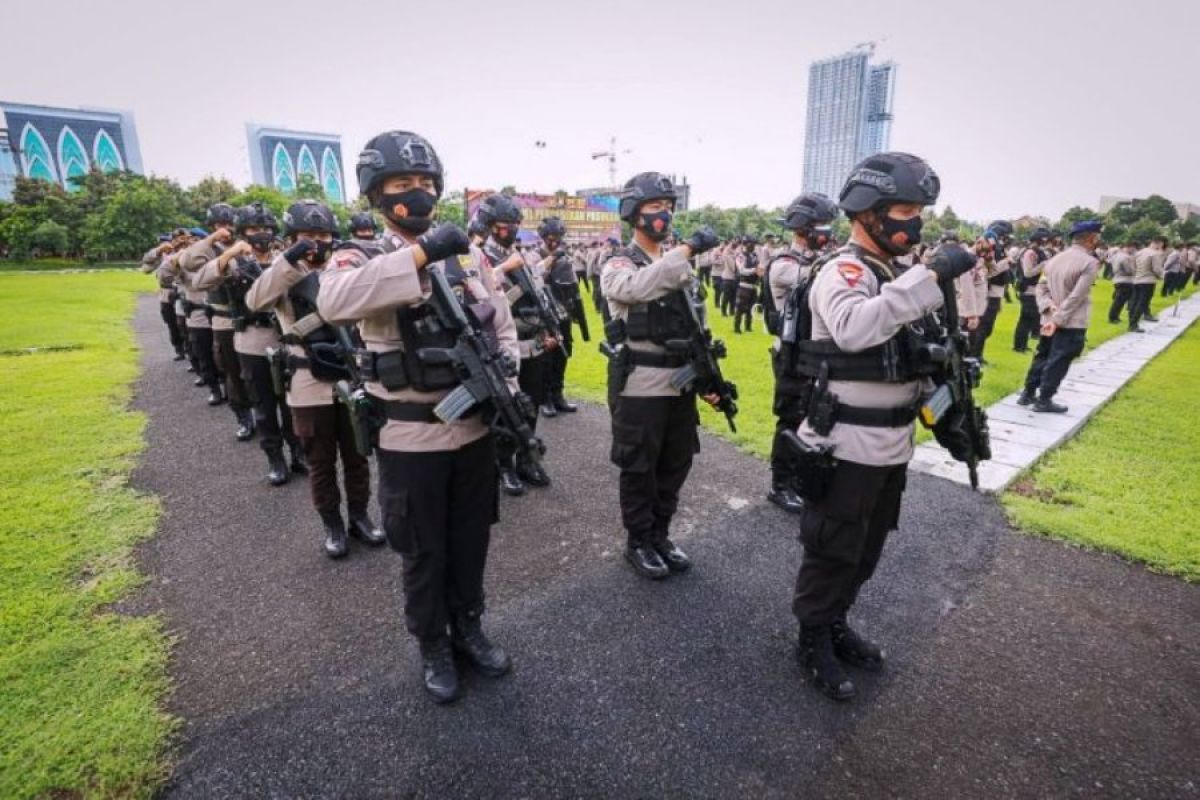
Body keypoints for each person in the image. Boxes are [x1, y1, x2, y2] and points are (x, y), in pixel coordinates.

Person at [317, 130, 518, 704]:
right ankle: (433, 643)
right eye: (405, 185)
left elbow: (499, 323)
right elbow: (333, 301)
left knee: (470, 540)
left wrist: (506, 378)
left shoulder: (471, 254)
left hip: (475, 426)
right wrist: (422, 255)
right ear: (378, 195)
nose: (420, 194)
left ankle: (469, 627)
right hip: (411, 433)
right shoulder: (360, 255)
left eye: (428, 184)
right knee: (424, 549)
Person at [788, 152, 975, 701]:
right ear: (867, 211)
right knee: (834, 548)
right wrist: (931, 274)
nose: (913, 223)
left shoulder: (894, 275)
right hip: (846, 442)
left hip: (893, 442)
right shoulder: (844, 271)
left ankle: (837, 621)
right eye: (904, 210)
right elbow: (853, 329)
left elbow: (917, 353)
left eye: (919, 212)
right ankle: (811, 637)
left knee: (867, 548)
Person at [245, 199, 384, 558]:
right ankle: (332, 525)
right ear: (291, 237)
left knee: (357, 457)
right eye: (308, 235)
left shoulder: (346, 267)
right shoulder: (283, 274)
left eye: (323, 234)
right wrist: (290, 260)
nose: (317, 242)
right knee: (320, 461)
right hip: (309, 384)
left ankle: (359, 517)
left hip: (351, 377)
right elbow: (255, 301)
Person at [600, 172, 720, 579]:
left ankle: (660, 534)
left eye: (669, 208)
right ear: (634, 213)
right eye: (655, 208)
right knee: (640, 468)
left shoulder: (678, 266)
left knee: (676, 463)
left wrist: (708, 379)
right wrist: (685, 250)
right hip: (641, 385)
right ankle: (638, 541)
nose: (664, 216)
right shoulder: (619, 262)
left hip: (680, 382)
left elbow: (694, 326)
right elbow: (634, 289)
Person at [196, 202, 306, 485]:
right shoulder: (234, 260)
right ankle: (274, 457)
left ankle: (297, 452)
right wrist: (227, 255)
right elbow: (198, 279)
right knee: (264, 403)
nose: (263, 233)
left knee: (292, 402)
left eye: (267, 228)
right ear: (243, 231)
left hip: (286, 337)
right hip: (253, 340)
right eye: (255, 228)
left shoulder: (284, 256)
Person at [765, 191, 838, 514]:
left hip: (819, 354)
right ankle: (782, 484)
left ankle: (804, 479)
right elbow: (820, 277)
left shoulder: (822, 261)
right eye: (820, 225)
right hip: (792, 356)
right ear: (802, 228)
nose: (826, 231)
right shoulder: (785, 264)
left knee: (817, 416)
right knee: (790, 418)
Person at [478, 194, 556, 495]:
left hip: (533, 340)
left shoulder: (526, 256)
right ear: (489, 225)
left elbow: (539, 295)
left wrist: (550, 329)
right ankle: (504, 466)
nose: (510, 230)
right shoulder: (480, 257)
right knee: (506, 407)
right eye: (503, 225)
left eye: (514, 225)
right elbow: (485, 302)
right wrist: (505, 271)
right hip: (504, 347)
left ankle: (527, 459)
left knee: (530, 404)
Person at [1017, 220, 1103, 412]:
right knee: (1058, 360)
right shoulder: (1090, 263)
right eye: (1097, 237)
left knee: (1042, 355)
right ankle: (1044, 399)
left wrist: (1049, 308)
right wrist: (1059, 318)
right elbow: (1076, 296)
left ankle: (1028, 393)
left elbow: (1041, 287)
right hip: (1070, 321)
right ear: (1091, 238)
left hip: (1050, 317)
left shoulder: (1055, 259)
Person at [189, 203, 257, 441]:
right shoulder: (208, 249)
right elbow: (189, 264)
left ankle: (263, 413)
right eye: (219, 225)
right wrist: (214, 241)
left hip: (252, 317)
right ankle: (244, 417)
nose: (225, 229)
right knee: (233, 372)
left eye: (229, 224)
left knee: (258, 374)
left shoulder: (248, 244)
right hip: (225, 319)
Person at [538, 216, 582, 415]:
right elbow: (535, 276)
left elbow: (572, 285)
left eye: (558, 237)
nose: (554, 241)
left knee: (564, 354)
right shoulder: (534, 255)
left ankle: (558, 394)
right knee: (547, 357)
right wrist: (553, 257)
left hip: (563, 312)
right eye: (550, 237)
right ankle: (545, 398)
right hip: (544, 313)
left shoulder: (565, 257)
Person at [1012, 228, 1052, 352]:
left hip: (1034, 289)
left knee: (1031, 318)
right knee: (1026, 318)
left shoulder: (1037, 252)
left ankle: (1023, 344)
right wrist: (1043, 265)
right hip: (1028, 289)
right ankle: (1019, 346)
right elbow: (1028, 273)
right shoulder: (1030, 253)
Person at [1129, 236, 1166, 331]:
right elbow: (1157, 269)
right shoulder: (1155, 254)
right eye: (1162, 245)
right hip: (1148, 281)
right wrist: (1162, 276)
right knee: (1143, 303)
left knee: (1135, 302)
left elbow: (1132, 266)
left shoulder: (1139, 252)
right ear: (1159, 243)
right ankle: (1133, 324)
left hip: (1137, 280)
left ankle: (1131, 321)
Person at [732, 235, 761, 333]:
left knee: (751, 308)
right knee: (740, 308)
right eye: (751, 244)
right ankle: (737, 328)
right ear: (746, 244)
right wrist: (754, 270)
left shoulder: (755, 256)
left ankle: (748, 327)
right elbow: (741, 270)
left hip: (753, 286)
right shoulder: (741, 256)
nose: (753, 246)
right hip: (744, 286)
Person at [1107, 240, 1137, 323]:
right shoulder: (1126, 257)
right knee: (1119, 301)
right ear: (1129, 247)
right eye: (1133, 249)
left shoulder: (1116, 255)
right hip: (1125, 280)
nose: (1133, 251)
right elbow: (1129, 270)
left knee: (1119, 300)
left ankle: (1115, 316)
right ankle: (1112, 317)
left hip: (1117, 279)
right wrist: (1135, 270)